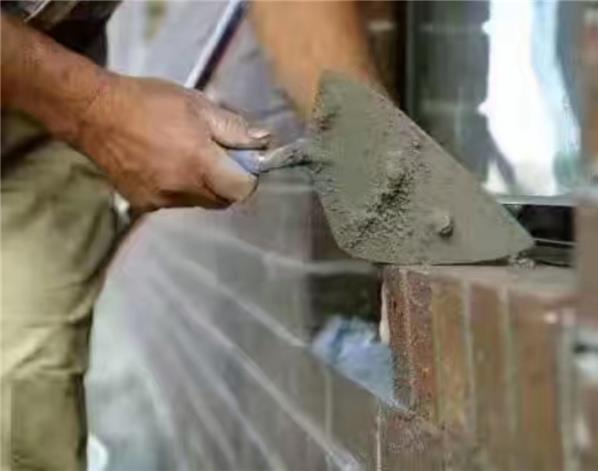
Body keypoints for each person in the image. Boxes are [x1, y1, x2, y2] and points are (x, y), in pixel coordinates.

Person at [0, 2, 382, 469]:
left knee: (25, 404)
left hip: (32, 125)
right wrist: (95, 109)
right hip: (51, 94)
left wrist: (367, 146)